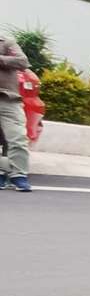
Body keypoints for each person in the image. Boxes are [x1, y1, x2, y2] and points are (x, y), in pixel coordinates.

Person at [0, 35, 31, 192]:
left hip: (8, 98)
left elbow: (23, 61)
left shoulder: (6, 43)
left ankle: (19, 175)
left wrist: (1, 59)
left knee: (17, 137)